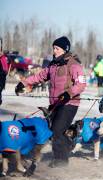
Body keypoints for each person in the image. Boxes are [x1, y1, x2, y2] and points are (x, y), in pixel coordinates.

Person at [15, 36, 86, 167]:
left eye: (57, 48)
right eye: (53, 48)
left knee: (56, 130)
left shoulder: (74, 64)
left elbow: (81, 85)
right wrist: (23, 83)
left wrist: (68, 93)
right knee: (54, 131)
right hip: (55, 103)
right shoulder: (53, 65)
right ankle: (69, 143)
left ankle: (61, 160)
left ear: (65, 49)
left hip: (69, 103)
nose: (54, 51)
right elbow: (40, 76)